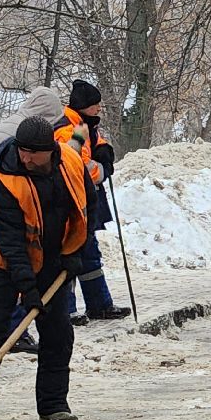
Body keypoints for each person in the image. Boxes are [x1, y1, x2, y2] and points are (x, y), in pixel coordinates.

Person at [0, 115, 88, 420]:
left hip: (52, 258)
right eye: (21, 150)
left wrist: (74, 253)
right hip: (0, 258)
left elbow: (86, 207)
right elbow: (11, 242)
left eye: (32, 152)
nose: (25, 157)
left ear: (50, 150)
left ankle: (54, 406)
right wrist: (28, 290)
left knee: (58, 333)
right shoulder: (3, 176)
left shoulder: (69, 161)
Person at [0, 86, 65, 355]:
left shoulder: (10, 123)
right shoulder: (27, 135)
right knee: (0, 271)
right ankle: (10, 330)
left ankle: (3, 326)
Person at [55, 79, 131, 324]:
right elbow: (78, 167)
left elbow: (97, 144)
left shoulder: (84, 124)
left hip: (85, 201)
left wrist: (105, 150)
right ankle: (66, 311)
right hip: (72, 203)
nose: (99, 108)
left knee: (89, 254)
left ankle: (99, 304)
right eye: (96, 104)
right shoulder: (68, 128)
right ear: (84, 105)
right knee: (71, 254)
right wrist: (103, 168)